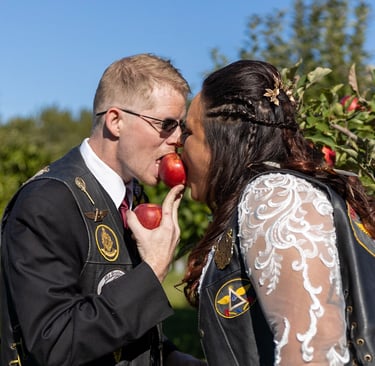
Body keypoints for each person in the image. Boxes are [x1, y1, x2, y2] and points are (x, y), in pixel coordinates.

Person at [1, 54, 206, 366]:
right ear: (115, 121)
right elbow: (55, 343)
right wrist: (152, 270)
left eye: (179, 127)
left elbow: (138, 338)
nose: (177, 140)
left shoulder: (133, 196)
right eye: (166, 124)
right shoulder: (47, 202)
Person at [179, 60, 375, 365]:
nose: (179, 146)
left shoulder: (274, 197)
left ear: (224, 138)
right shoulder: (265, 197)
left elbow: (314, 352)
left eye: (188, 132)